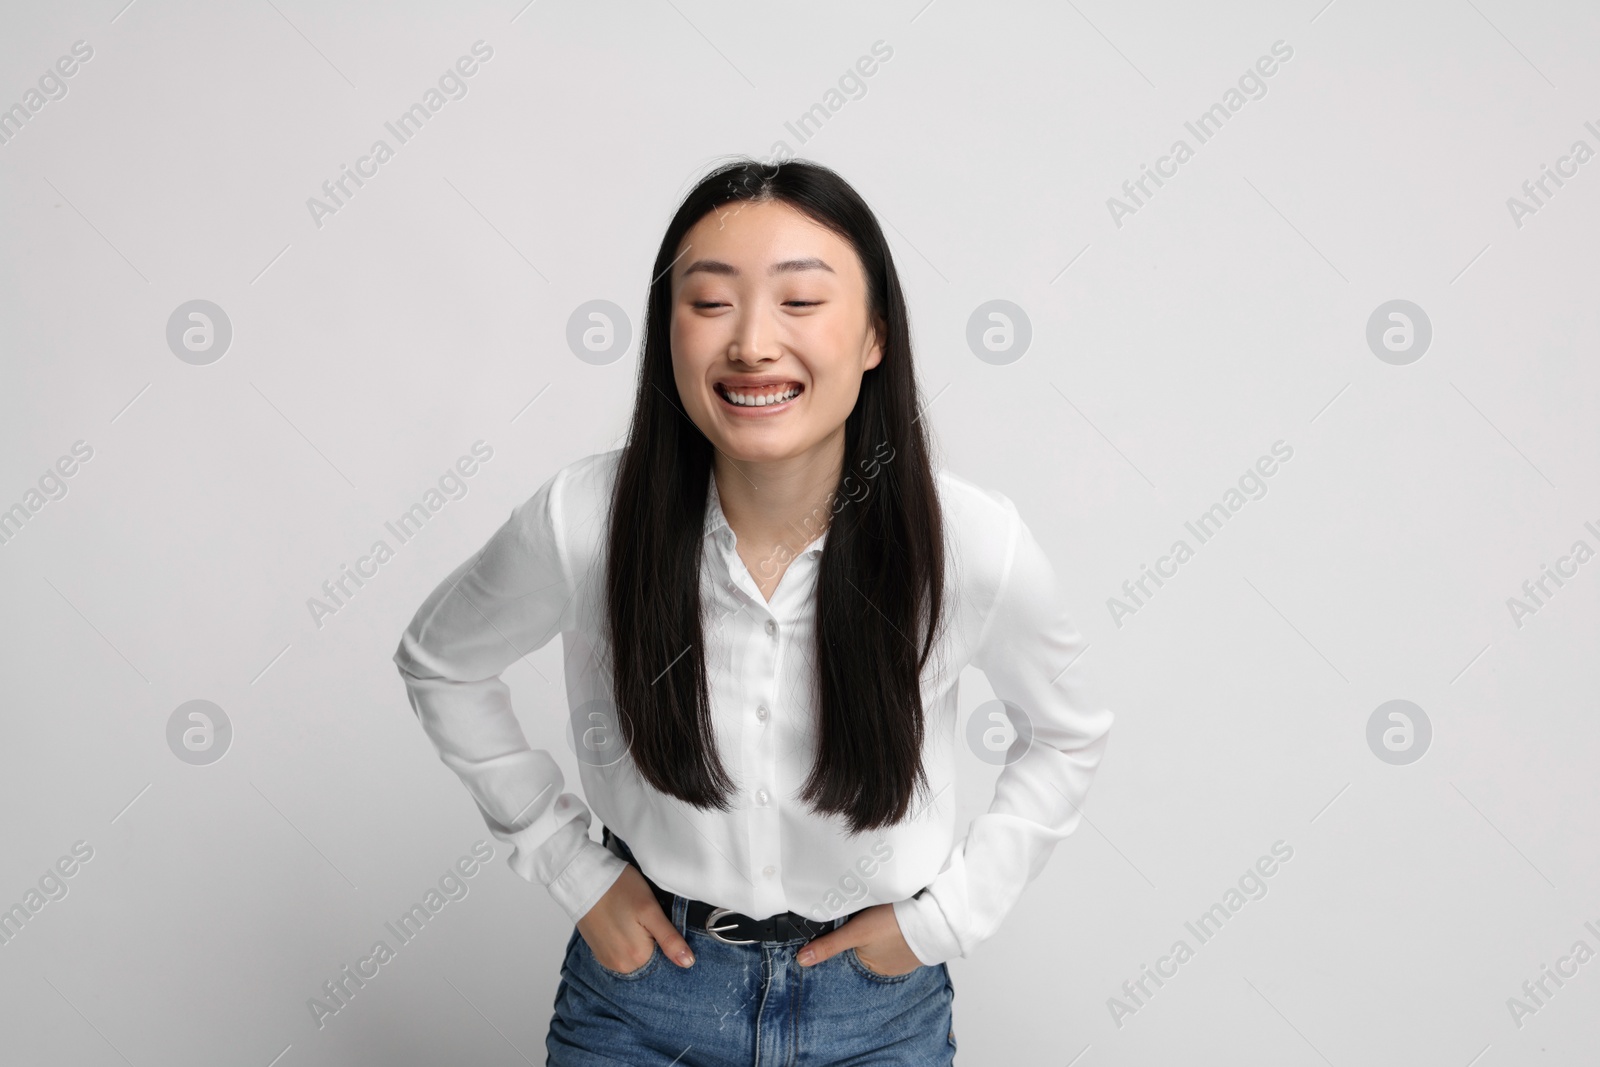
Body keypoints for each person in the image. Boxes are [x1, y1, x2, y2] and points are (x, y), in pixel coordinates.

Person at [392, 157, 1113, 1065]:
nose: (752, 344)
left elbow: (1067, 732)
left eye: (801, 302)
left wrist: (949, 920)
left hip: (876, 1017)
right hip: (641, 1004)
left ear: (875, 336)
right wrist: (569, 865)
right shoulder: (584, 521)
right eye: (710, 302)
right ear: (667, 335)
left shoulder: (970, 540)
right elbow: (441, 659)